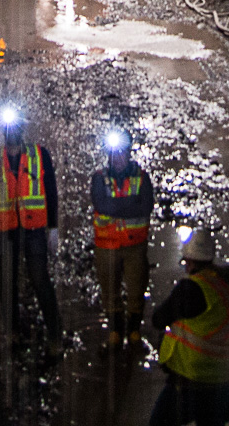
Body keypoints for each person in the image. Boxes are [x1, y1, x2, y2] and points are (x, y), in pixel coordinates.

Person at [0, 107, 62, 359]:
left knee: (40, 280)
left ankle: (55, 335)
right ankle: (13, 333)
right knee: (7, 284)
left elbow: (51, 191)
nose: (12, 134)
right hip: (5, 231)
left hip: (34, 229)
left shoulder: (39, 155)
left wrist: (53, 227)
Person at [150, 227, 229, 426]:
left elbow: (158, 319)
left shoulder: (191, 288)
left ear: (189, 261)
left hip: (190, 380)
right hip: (221, 381)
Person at [92, 127, 154, 349]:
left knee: (136, 289)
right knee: (110, 291)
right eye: (114, 154)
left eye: (122, 154)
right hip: (106, 245)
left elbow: (145, 207)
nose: (118, 159)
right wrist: (130, 204)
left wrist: (116, 207)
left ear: (129, 154)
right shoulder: (99, 178)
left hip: (134, 245)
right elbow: (101, 205)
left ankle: (134, 331)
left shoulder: (142, 178)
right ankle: (115, 332)